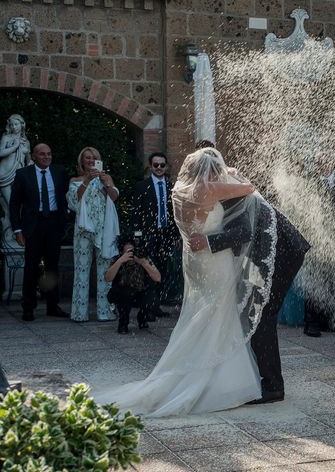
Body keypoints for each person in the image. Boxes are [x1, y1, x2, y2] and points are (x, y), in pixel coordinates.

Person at [95, 147, 276, 416]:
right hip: (215, 261)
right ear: (210, 171)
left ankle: (205, 371)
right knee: (218, 316)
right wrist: (233, 175)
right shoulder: (208, 190)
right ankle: (221, 383)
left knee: (203, 314)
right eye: (217, 169)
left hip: (194, 258)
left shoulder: (179, 188)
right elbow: (249, 188)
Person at [188, 150, 311, 405]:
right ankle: (258, 379)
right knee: (251, 310)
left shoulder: (230, 188)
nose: (198, 180)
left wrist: (208, 242)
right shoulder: (227, 185)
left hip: (283, 251)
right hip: (269, 251)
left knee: (262, 314)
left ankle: (273, 387)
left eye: (201, 174)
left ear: (210, 172)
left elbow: (242, 232)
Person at [9, 143, 68, 321]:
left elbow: (67, 196)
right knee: (31, 267)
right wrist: (17, 229)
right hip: (32, 226)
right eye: (42, 154)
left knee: (52, 267)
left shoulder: (59, 172)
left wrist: (64, 221)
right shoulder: (23, 174)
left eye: (49, 154)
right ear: (34, 156)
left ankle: (52, 305)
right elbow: (14, 204)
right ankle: (28, 307)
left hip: (53, 224)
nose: (46, 157)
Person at [66, 147, 120, 322]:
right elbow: (74, 202)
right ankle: (79, 313)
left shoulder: (106, 178)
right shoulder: (75, 180)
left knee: (105, 270)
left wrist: (107, 184)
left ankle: (105, 311)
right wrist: (86, 181)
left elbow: (113, 197)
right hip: (83, 230)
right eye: (87, 158)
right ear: (82, 161)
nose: (90, 160)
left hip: (104, 230)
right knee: (81, 270)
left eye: (94, 158)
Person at [132, 153, 180, 317]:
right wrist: (137, 235)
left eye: (162, 165)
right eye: (156, 165)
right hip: (148, 235)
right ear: (150, 167)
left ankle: (156, 305)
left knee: (163, 270)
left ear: (166, 167)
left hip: (166, 234)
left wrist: (177, 235)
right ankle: (147, 308)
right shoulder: (142, 186)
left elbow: (175, 213)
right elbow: (137, 213)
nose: (159, 168)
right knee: (148, 270)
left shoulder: (172, 187)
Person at [105, 233, 161, 334]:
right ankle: (123, 322)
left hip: (140, 292)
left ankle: (142, 316)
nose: (131, 254)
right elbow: (108, 278)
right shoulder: (117, 259)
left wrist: (143, 263)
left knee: (152, 297)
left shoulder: (143, 258)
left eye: (132, 251)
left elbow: (158, 278)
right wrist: (120, 260)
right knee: (123, 294)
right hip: (123, 293)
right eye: (127, 252)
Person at [0, 114, 31, 238]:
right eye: (11, 124)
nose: (14, 127)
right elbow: (1, 152)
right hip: (4, 175)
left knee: (20, 205)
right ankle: (9, 234)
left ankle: (17, 233)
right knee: (9, 205)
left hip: (19, 175)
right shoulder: (6, 138)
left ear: (22, 125)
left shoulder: (26, 141)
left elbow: (28, 160)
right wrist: (15, 146)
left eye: (16, 124)